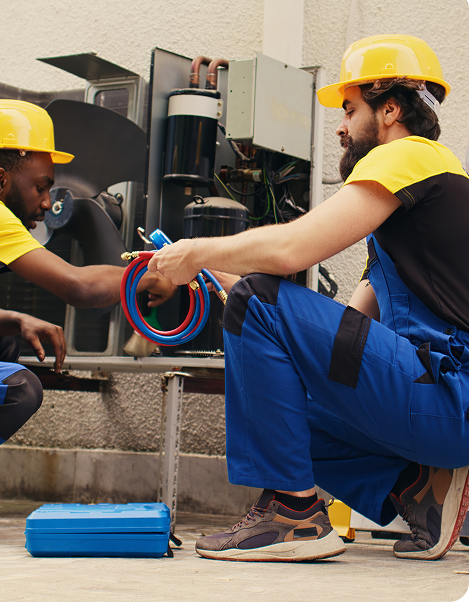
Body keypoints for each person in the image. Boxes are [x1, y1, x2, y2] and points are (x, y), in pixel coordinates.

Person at [148, 34, 469, 562]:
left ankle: (292, 516)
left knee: (259, 298)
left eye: (350, 108)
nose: (341, 126)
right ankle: (419, 491)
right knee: (282, 399)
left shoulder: (411, 155)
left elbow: (294, 248)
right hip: (435, 401)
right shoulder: (411, 210)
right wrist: (241, 301)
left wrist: (198, 253)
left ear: (390, 109)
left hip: (447, 395)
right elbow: (344, 336)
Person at [0, 99, 175, 541]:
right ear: (0, 179)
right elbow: (79, 287)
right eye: (41, 187)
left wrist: (17, 320)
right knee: (16, 389)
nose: (48, 202)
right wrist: (148, 274)